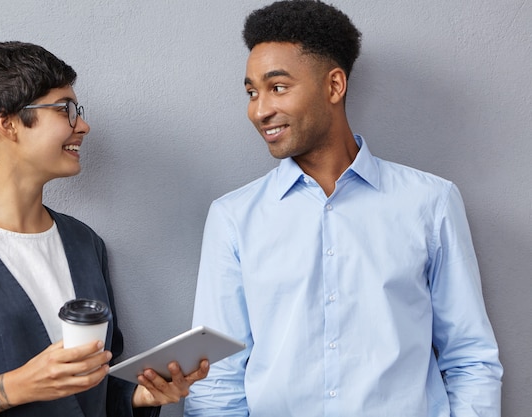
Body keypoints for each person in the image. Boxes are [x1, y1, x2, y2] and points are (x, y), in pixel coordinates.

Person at [184, 1, 502, 416]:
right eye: (251, 92)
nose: (260, 110)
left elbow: (469, 358)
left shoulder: (431, 203)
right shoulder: (233, 217)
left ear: (334, 86)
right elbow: (217, 380)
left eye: (277, 87)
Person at [0, 41, 208, 417]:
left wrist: (139, 396)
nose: (83, 125)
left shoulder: (85, 244)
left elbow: (90, 389)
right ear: (8, 123)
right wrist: (10, 388)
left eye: (77, 111)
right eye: (64, 109)